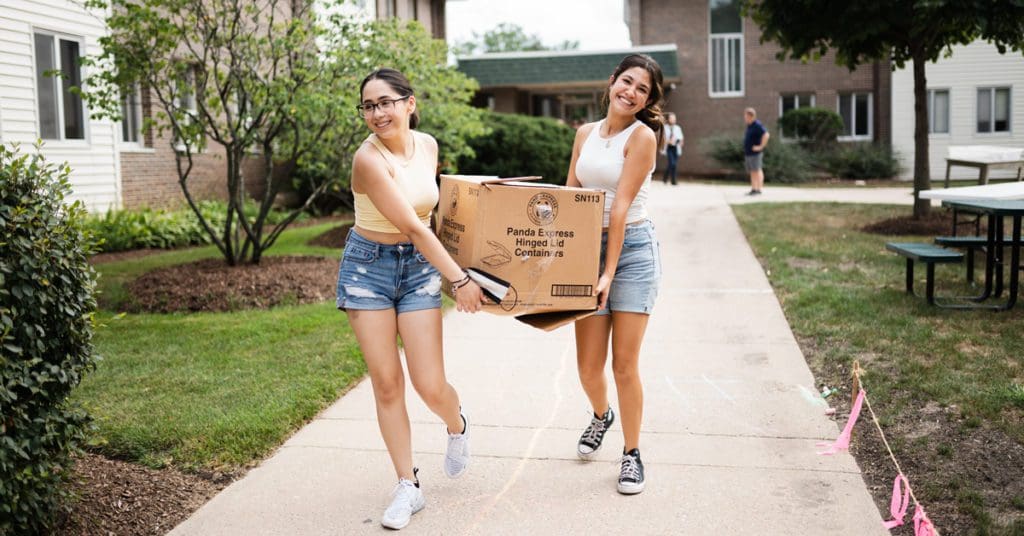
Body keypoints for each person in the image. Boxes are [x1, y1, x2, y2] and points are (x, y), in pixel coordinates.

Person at [338, 68, 486, 530]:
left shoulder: (428, 146)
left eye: (386, 102)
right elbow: (412, 226)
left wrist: (469, 254)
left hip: (418, 266)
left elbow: (435, 213)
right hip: (368, 269)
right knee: (387, 383)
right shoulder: (368, 159)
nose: (377, 113)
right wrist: (459, 280)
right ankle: (408, 485)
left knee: (429, 384)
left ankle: (457, 425)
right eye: (368, 105)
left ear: (410, 103)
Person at [565, 54, 664, 495]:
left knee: (624, 364)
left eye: (642, 89)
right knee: (589, 368)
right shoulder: (584, 134)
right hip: (588, 247)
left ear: (647, 100)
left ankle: (631, 453)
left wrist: (607, 273)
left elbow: (619, 208)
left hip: (633, 252)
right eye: (627, 82)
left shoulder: (641, 137)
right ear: (611, 82)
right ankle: (601, 415)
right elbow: (572, 195)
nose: (631, 92)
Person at [743, 107, 769, 195]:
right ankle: (754, 188)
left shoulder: (757, 125)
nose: (745, 118)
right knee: (752, 171)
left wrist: (761, 146)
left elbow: (766, 134)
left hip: (755, 153)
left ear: (751, 116)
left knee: (756, 170)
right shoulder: (749, 126)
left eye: (746, 116)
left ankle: (758, 189)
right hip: (749, 152)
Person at [661, 112, 683, 185]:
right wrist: (668, 141)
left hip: (675, 147)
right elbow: (662, 139)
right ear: (668, 119)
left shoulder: (678, 128)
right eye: (672, 118)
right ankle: (673, 180)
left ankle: (667, 178)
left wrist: (679, 142)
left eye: (674, 118)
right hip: (668, 148)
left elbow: (681, 138)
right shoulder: (664, 127)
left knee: (673, 164)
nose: (673, 120)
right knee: (672, 163)